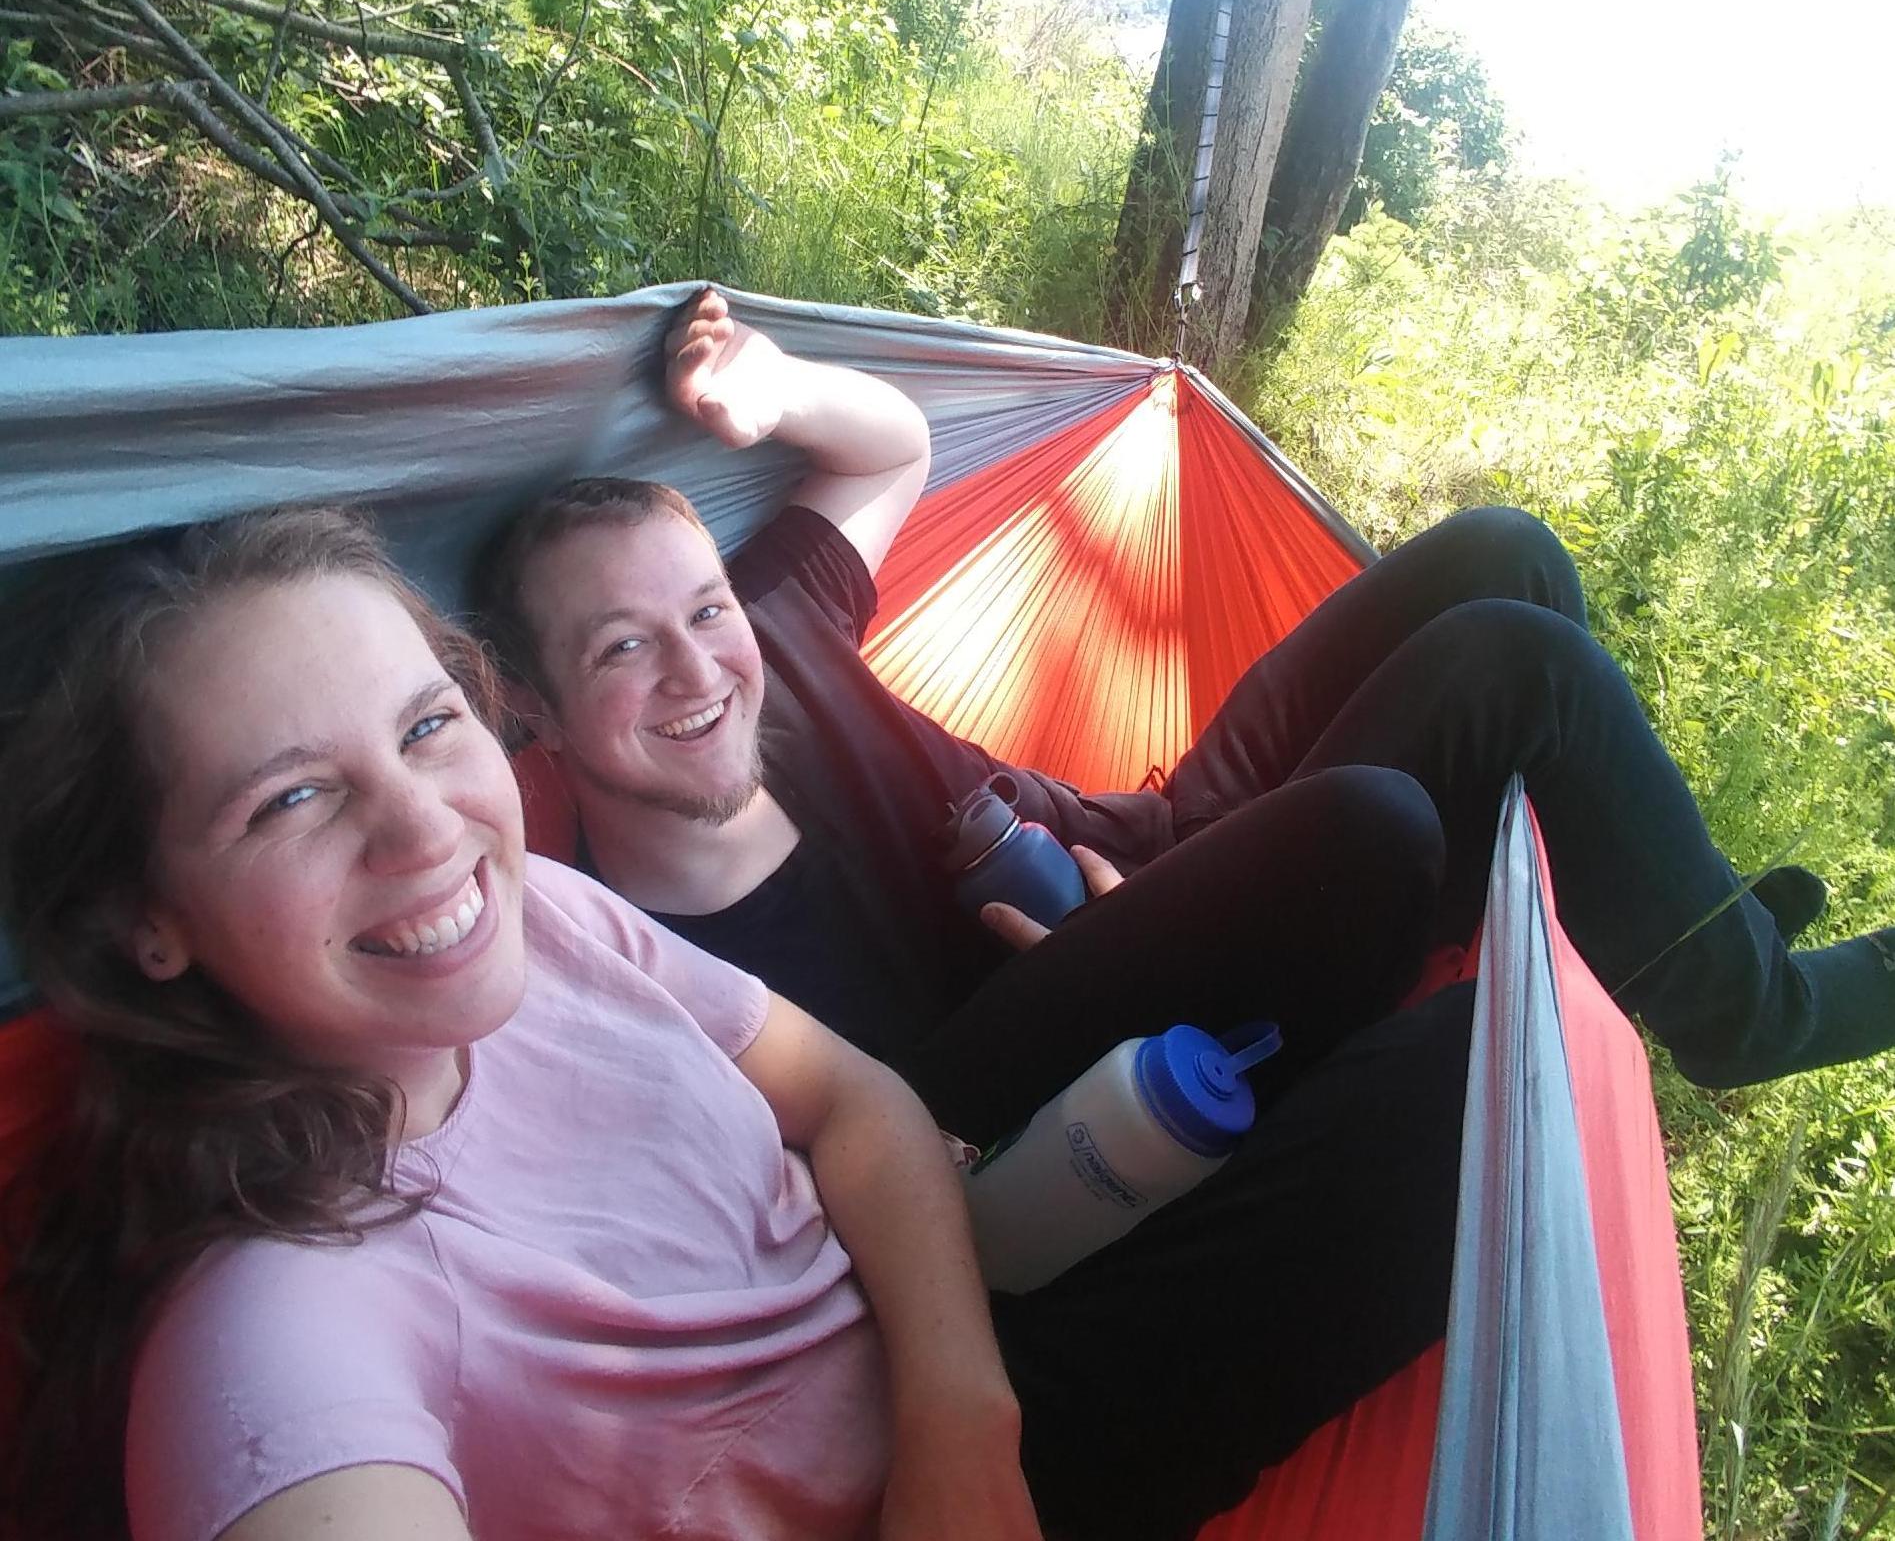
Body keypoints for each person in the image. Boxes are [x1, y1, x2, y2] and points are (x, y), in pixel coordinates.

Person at [0, 506, 1484, 1541]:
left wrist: (958, 1426)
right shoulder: (285, 1309)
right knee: (1482, 1080)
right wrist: (977, 1464)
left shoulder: (538, 916)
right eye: (292, 799)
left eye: (426, 725)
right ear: (146, 922)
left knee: (1367, 840)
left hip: (944, 1334)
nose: (426, 832)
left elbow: (853, 1105)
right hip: (946, 1524)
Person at [473, 291, 1892, 1138]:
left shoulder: (771, 628)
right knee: (1513, 667)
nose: (698, 669)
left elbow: (889, 445)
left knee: (1499, 552)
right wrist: (1076, 967)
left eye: (701, 608)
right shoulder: (623, 966)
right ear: (524, 707)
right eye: (620, 650)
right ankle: (1747, 1010)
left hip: (1139, 829)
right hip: (1097, 1015)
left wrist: (766, 393)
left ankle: (1645, 916)